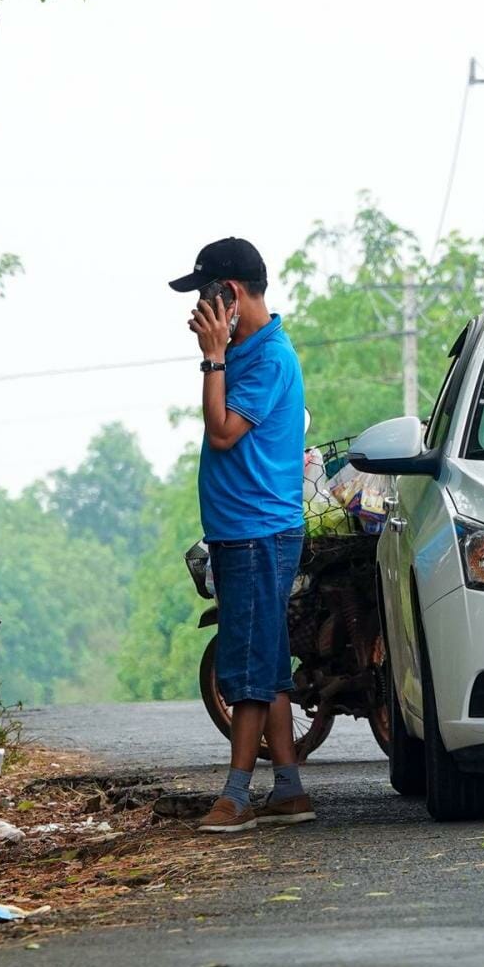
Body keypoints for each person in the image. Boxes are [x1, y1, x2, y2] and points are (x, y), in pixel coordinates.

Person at [171, 237, 311, 834]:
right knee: (268, 658)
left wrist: (212, 356)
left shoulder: (270, 356)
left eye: (206, 293)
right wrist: (221, 352)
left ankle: (236, 794)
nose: (200, 307)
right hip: (240, 530)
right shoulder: (247, 348)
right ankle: (288, 787)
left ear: (227, 292)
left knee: (248, 665)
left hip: (258, 530)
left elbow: (224, 431)